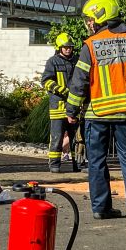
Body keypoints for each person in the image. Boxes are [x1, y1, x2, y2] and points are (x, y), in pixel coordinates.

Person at [66, 0, 126, 222]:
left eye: (90, 19)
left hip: (97, 113)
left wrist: (71, 110)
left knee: (97, 161)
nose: (89, 24)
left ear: (101, 16)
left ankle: (101, 208)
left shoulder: (90, 45)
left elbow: (79, 81)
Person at [41, 33, 80, 173]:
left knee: (76, 139)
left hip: (74, 106)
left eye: (70, 47)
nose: (68, 49)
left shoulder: (77, 61)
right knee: (57, 137)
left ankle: (78, 165)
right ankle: (55, 165)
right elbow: (45, 81)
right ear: (59, 47)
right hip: (58, 106)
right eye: (65, 47)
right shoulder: (53, 61)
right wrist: (61, 90)